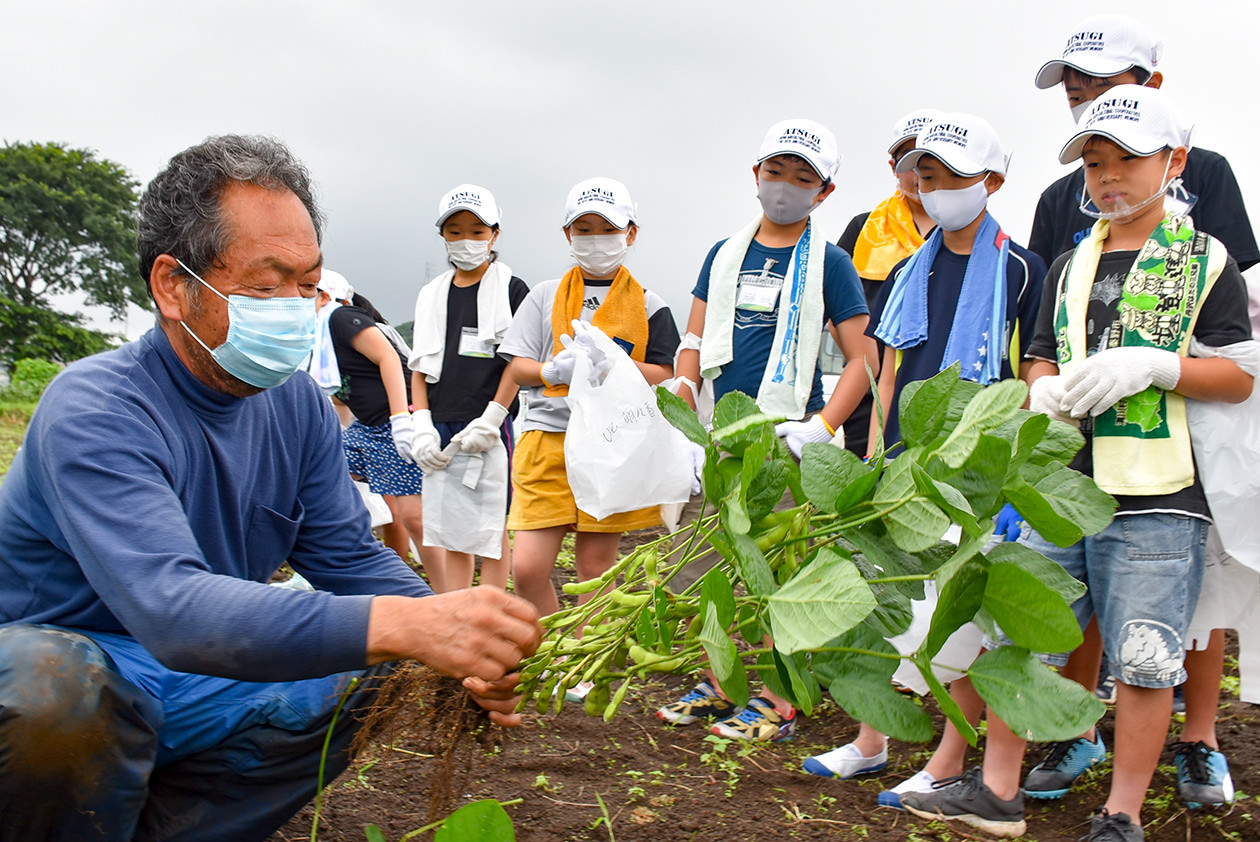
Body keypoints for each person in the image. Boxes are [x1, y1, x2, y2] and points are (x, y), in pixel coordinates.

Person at [0, 135, 541, 842]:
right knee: (52, 685)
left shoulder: (298, 405)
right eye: (265, 285)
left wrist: (456, 637)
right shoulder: (97, 408)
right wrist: (412, 626)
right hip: (81, 668)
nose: (294, 308)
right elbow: (174, 610)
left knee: (381, 670)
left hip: (193, 681)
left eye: (307, 283)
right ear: (173, 286)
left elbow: (348, 559)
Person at [902, 86, 1255, 842]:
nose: (1110, 179)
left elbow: (1239, 374)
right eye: (1096, 164)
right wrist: (1045, 392)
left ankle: (1121, 812)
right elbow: (1035, 358)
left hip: (1161, 493)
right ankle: (996, 789)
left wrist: (1159, 367)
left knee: (1143, 658)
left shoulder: (1206, 260)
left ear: (1175, 162)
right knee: (1024, 636)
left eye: (1129, 160)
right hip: (1059, 486)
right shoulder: (1069, 264)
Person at [1021, 13, 1258, 809]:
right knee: (1082, 594)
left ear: (1152, 87)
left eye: (1105, 83)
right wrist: (1042, 386)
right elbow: (1046, 320)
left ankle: (1198, 742)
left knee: (1189, 598)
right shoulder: (1066, 197)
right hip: (1083, 453)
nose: (1086, 97)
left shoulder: (1209, 178)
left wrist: (1159, 364)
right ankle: (1079, 730)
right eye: (1075, 88)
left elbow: (1235, 328)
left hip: (1182, 447)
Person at [804, 112, 1045, 797]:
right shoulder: (910, 268)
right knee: (887, 603)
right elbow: (887, 372)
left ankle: (944, 764)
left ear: (993, 181)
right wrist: (875, 458)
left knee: (960, 618)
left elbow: (1028, 379)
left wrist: (1010, 480)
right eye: (926, 175)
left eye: (952, 176)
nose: (934, 188)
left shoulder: (1023, 271)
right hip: (908, 469)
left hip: (975, 474)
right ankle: (870, 742)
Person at [659, 118, 878, 742]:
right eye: (775, 172)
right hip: (724, 436)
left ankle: (779, 696)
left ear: (824, 192)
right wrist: (683, 394)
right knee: (713, 566)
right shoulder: (724, 254)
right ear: (755, 175)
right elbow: (694, 340)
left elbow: (864, 359)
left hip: (787, 441)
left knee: (783, 569)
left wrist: (821, 425)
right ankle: (720, 683)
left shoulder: (831, 264)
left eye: (802, 178)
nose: (785, 186)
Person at [498, 177, 679, 701]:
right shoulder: (544, 296)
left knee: (595, 568)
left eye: (608, 229)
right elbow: (518, 364)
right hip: (548, 438)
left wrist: (616, 366)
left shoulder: (649, 302)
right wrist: (555, 366)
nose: (596, 238)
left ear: (631, 233)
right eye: (585, 229)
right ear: (567, 233)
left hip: (611, 444)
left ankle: (584, 660)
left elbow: (666, 372)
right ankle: (559, 648)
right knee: (528, 566)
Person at [407, 184, 529, 591]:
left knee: (492, 531)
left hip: (487, 427)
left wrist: (493, 418)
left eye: (477, 232)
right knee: (451, 530)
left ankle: (492, 614)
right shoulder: (431, 295)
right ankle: (458, 612)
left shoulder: (512, 291)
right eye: (455, 231)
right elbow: (420, 366)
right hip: (440, 422)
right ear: (443, 235)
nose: (466, 241)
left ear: (495, 234)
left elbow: (517, 361)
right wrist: (420, 422)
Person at [315, 271, 450, 589]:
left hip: (398, 420)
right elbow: (340, 397)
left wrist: (401, 418)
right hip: (367, 427)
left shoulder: (341, 317)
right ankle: (342, 568)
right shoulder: (318, 338)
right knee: (319, 477)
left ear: (324, 295)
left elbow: (389, 357)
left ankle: (445, 595)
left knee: (413, 517)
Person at [835, 108, 941, 456]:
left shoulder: (966, 233)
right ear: (892, 165)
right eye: (906, 160)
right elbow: (829, 306)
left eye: (927, 158)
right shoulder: (863, 229)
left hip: (941, 393)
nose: (917, 173)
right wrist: (862, 354)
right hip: (868, 396)